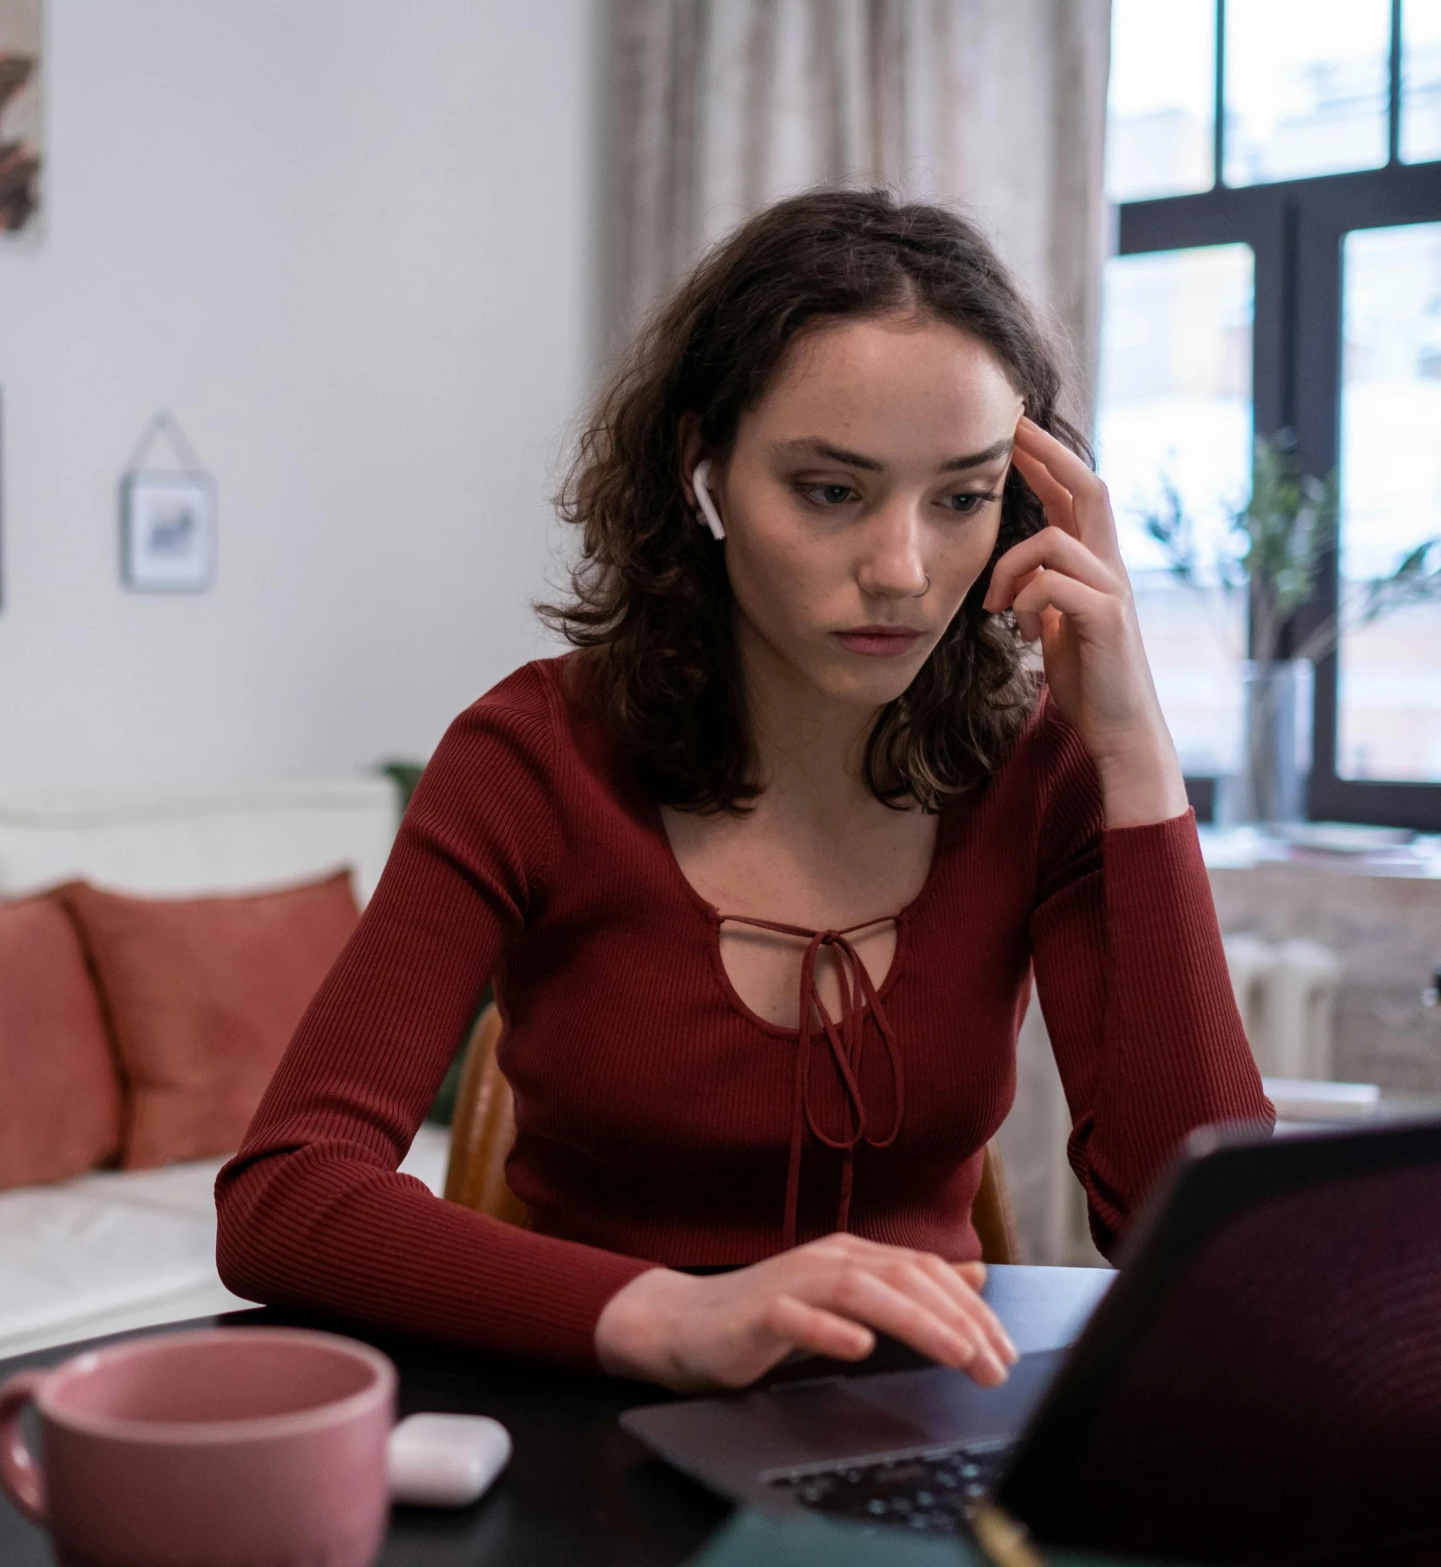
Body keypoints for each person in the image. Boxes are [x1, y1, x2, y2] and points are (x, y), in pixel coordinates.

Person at [215, 189, 1272, 1394]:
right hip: (595, 1428)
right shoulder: (530, 756)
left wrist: (1134, 754)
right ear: (700, 465)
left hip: (911, 1437)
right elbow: (285, 1194)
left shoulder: (1045, 770)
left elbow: (1213, 1252)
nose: (901, 570)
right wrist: (665, 1315)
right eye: (830, 490)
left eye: (963, 496)